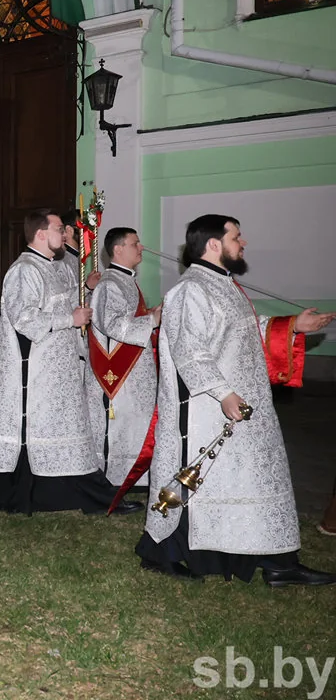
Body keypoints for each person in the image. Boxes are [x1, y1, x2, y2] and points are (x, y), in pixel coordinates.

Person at [135, 214, 335, 586]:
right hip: (209, 409)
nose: (243, 244)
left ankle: (280, 563)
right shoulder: (190, 289)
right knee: (201, 480)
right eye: (237, 237)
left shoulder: (224, 285)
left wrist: (293, 325)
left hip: (249, 404)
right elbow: (188, 349)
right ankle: (164, 552)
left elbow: (245, 331)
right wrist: (223, 393)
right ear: (214, 244)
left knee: (257, 480)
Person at [0, 209, 141, 515]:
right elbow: (24, 318)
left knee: (68, 430)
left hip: (60, 368)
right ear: (41, 234)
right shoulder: (24, 269)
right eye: (58, 229)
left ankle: (87, 496)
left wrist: (86, 290)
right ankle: (92, 497)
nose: (64, 235)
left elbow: (57, 300)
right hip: (38, 373)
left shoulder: (50, 266)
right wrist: (70, 318)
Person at [87, 227, 160, 489]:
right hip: (117, 374)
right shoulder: (109, 284)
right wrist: (152, 319)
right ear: (118, 249)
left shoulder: (126, 280)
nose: (141, 248)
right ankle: (112, 483)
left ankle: (132, 479)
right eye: (135, 244)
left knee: (135, 424)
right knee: (119, 427)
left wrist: (150, 316)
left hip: (135, 371)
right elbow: (112, 324)